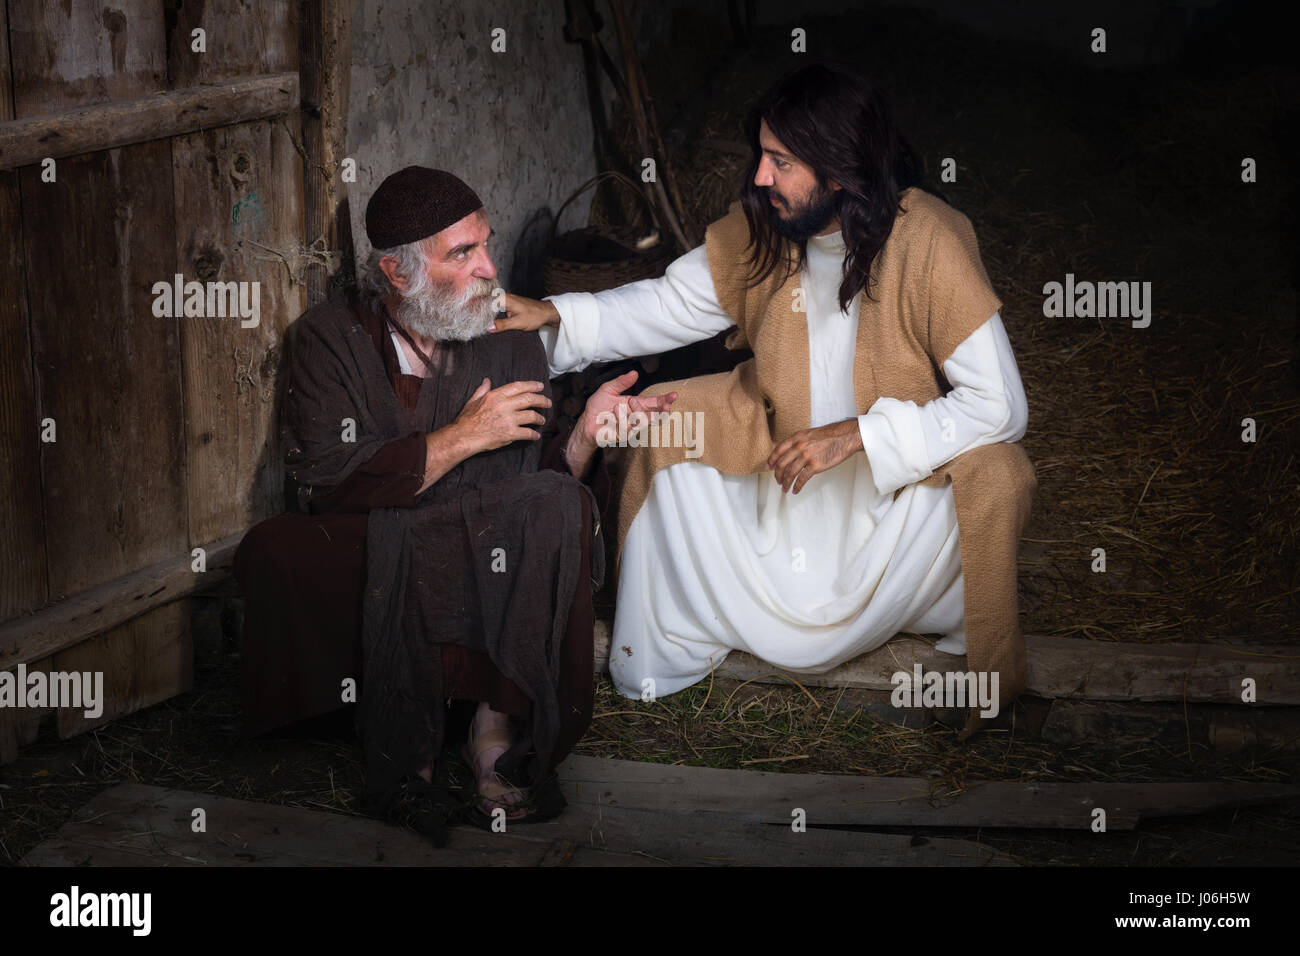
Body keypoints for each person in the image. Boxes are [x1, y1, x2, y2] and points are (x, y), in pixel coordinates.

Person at [496, 63, 1037, 736]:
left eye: (780, 161)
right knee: (663, 423)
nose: (759, 176)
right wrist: (551, 316)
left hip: (894, 514)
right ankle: (686, 623)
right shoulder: (764, 230)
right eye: (762, 155)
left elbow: (1002, 406)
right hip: (780, 486)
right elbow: (665, 304)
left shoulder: (929, 239)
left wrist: (860, 435)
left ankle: (906, 610)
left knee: (997, 473)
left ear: (839, 170)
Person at [234, 166, 675, 843]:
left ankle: (490, 730)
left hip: (476, 543)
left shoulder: (508, 334)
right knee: (277, 550)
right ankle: (406, 735)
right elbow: (324, 482)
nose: (490, 268)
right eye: (463, 253)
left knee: (561, 504)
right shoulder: (330, 340)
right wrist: (464, 438)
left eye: (486, 244)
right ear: (399, 273)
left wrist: (586, 431)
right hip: (380, 545)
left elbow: (536, 485)